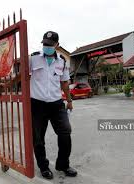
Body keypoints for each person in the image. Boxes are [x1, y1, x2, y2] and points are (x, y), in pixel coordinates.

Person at [29, 31, 77, 180]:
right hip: (37, 104)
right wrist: (8, 84)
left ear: (57, 45)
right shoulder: (34, 58)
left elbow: (64, 83)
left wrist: (69, 101)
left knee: (65, 133)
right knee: (38, 138)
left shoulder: (62, 62)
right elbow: (22, 76)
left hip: (56, 104)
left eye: (49, 44)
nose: (46, 47)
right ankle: (43, 167)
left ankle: (62, 165)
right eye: (44, 44)